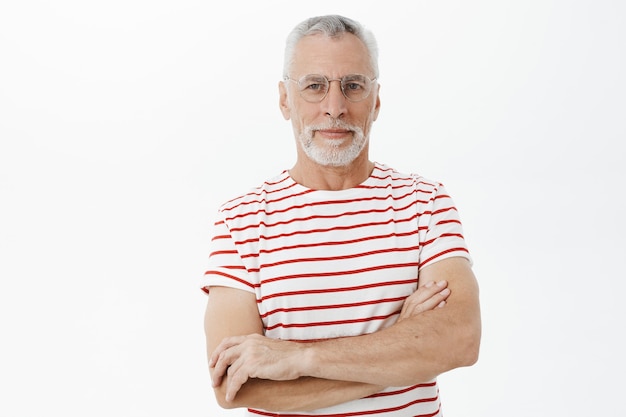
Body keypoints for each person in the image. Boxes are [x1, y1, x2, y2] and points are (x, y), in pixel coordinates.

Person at [201, 14, 481, 416]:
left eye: (353, 86)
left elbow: (460, 340)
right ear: (285, 99)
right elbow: (235, 387)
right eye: (314, 86)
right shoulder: (240, 222)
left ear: (377, 100)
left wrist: (298, 359)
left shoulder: (425, 203)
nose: (335, 108)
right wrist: (401, 351)